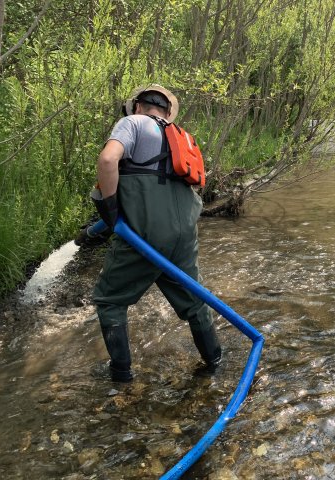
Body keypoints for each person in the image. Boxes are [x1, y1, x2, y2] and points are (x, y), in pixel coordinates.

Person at [89, 84, 221, 382]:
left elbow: (108, 160)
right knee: (195, 301)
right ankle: (214, 362)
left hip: (145, 236)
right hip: (184, 235)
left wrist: (110, 210)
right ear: (167, 111)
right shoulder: (181, 138)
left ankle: (121, 378)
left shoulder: (132, 123)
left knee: (110, 301)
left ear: (137, 106)